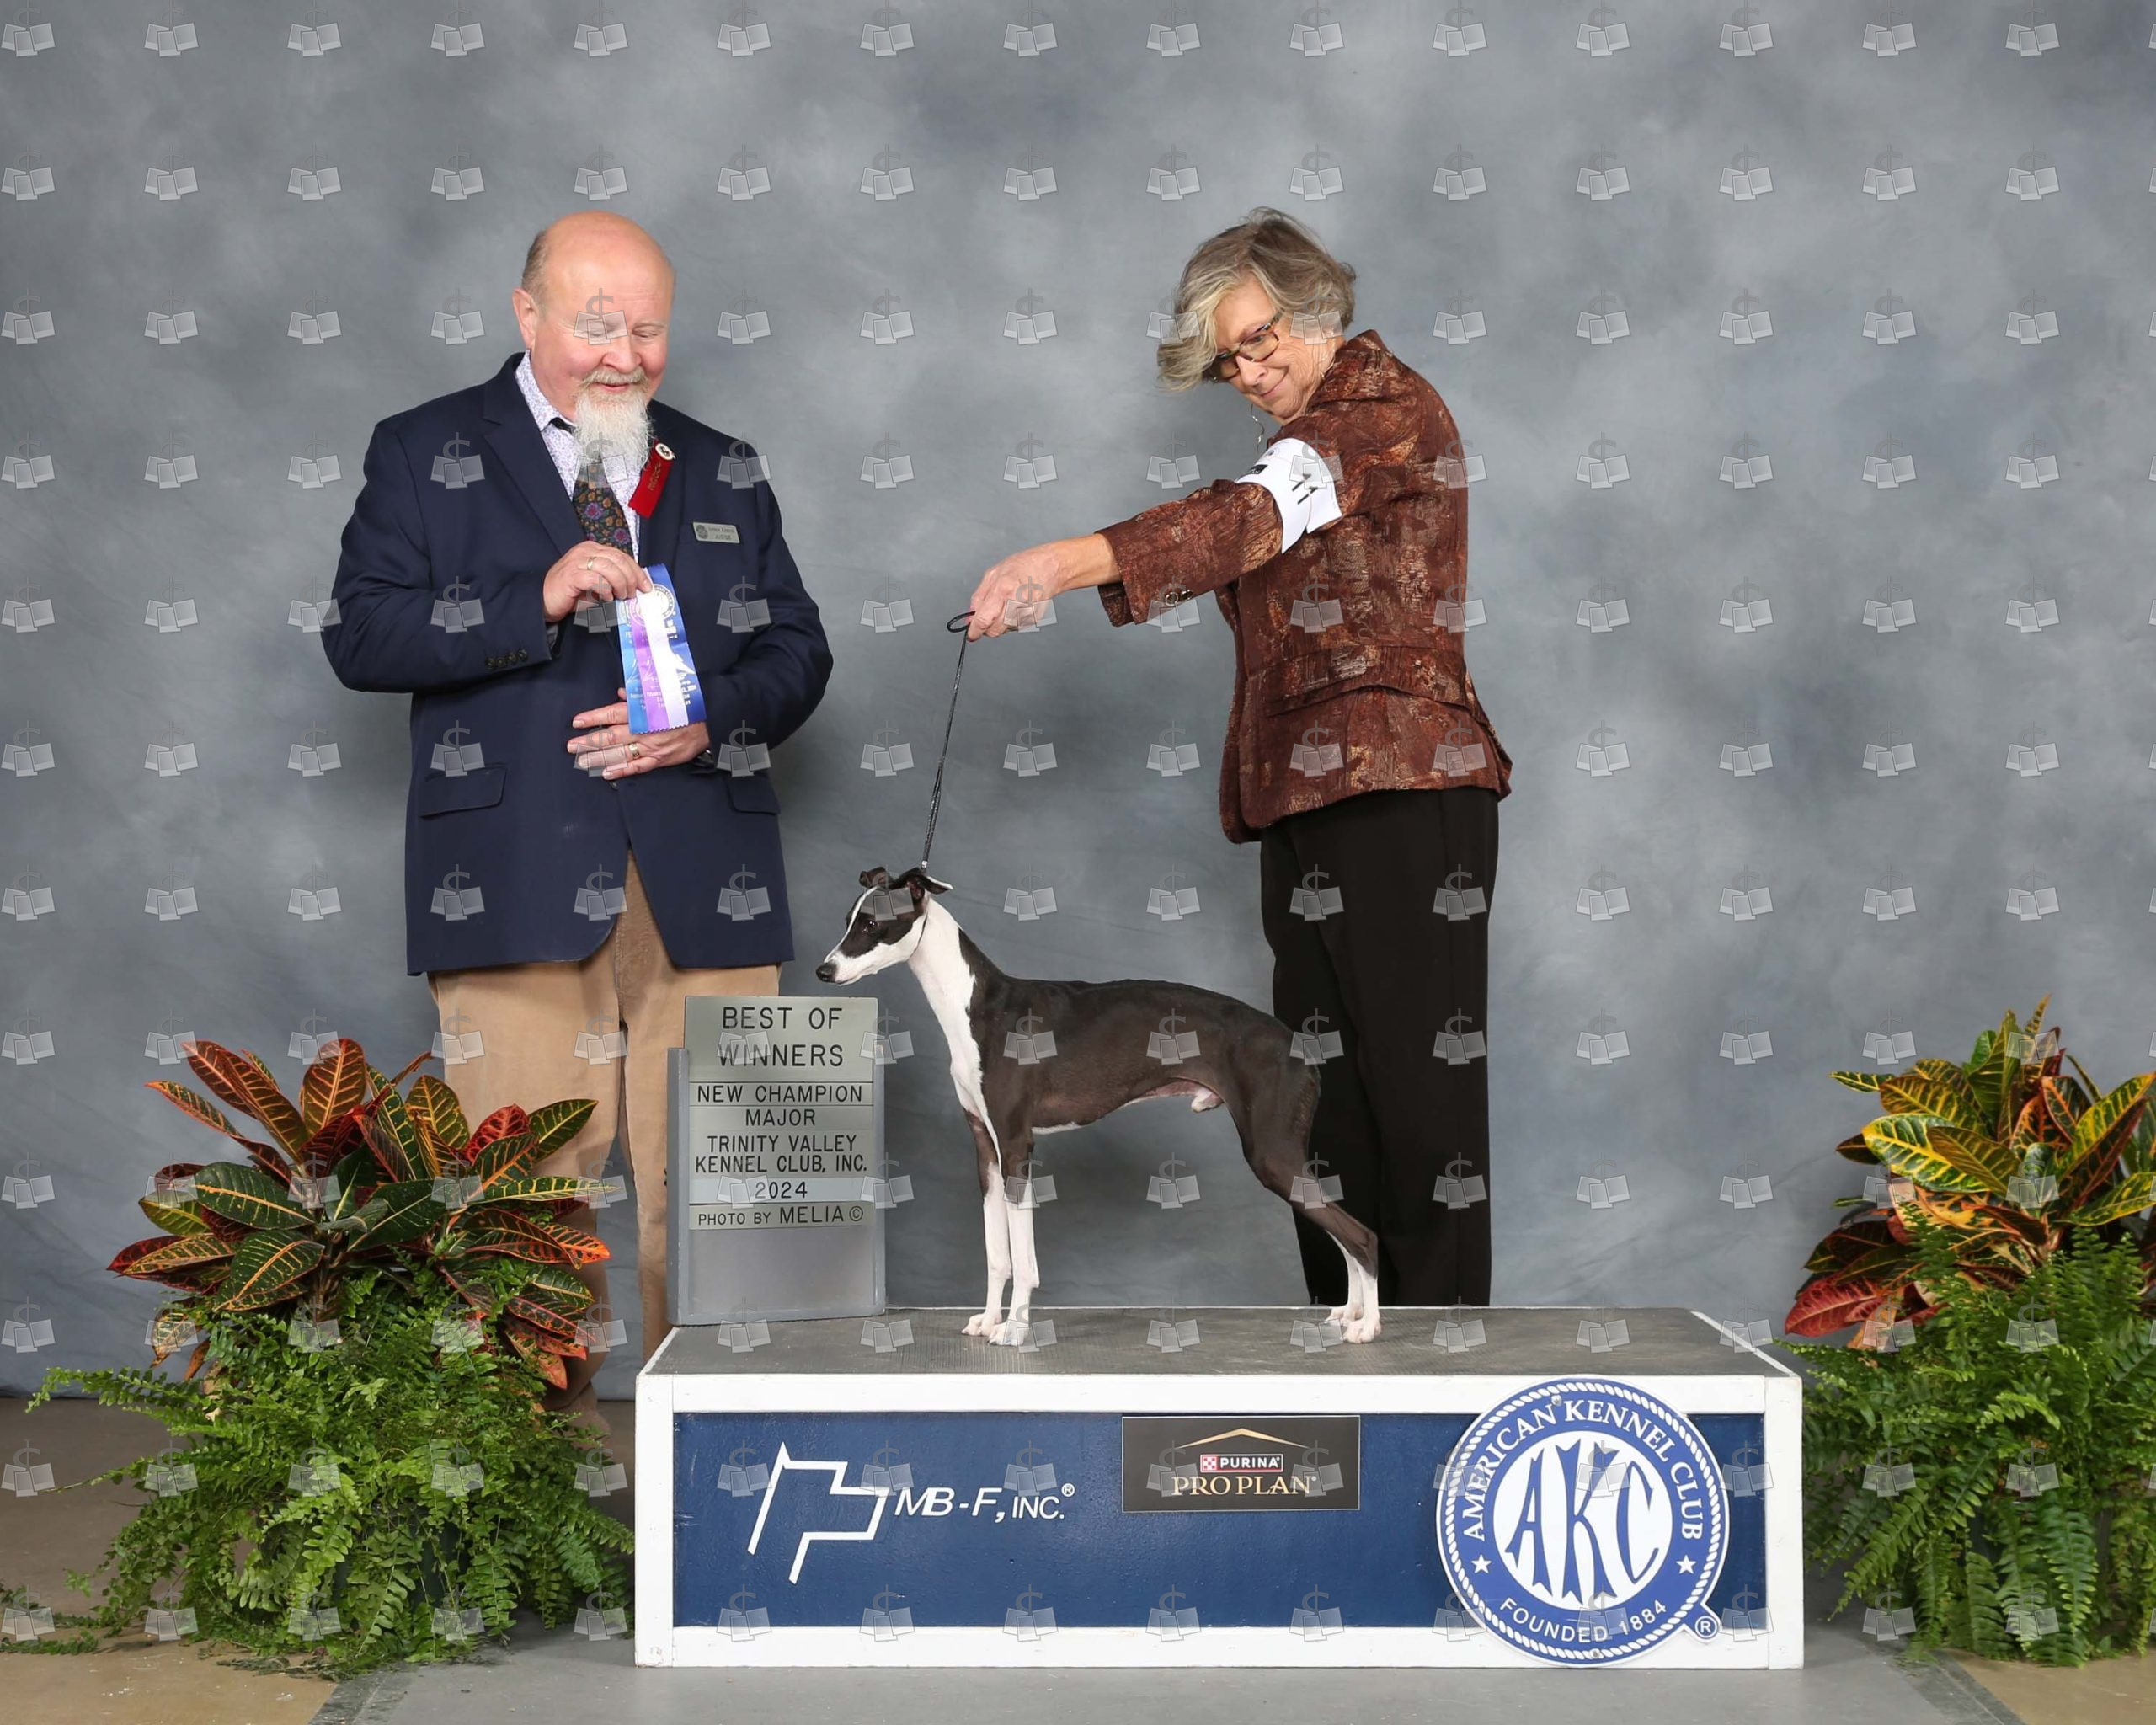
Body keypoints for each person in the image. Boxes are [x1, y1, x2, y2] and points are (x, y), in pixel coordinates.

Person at [323, 211, 833, 1422]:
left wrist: (708, 718)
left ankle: (736, 1475)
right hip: (508, 877)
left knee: (733, 1192)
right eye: (598, 325)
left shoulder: (723, 463)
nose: (625, 354)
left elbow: (798, 649)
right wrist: (532, 598)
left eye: (649, 329)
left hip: (710, 871)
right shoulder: (423, 447)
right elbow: (360, 634)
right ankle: (525, 1481)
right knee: (522, 1195)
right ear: (527, 313)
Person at [965, 207, 1513, 1309]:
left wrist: (1060, 564)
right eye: (1230, 362)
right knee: (1314, 1099)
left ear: (1319, 306)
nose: (1250, 372)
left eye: (1260, 340)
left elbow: (1244, 519)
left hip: (1405, 791)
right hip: (1307, 805)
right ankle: (1352, 1339)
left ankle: (1447, 1359)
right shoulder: (1310, 435)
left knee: (1421, 1101)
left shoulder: (1376, 411)